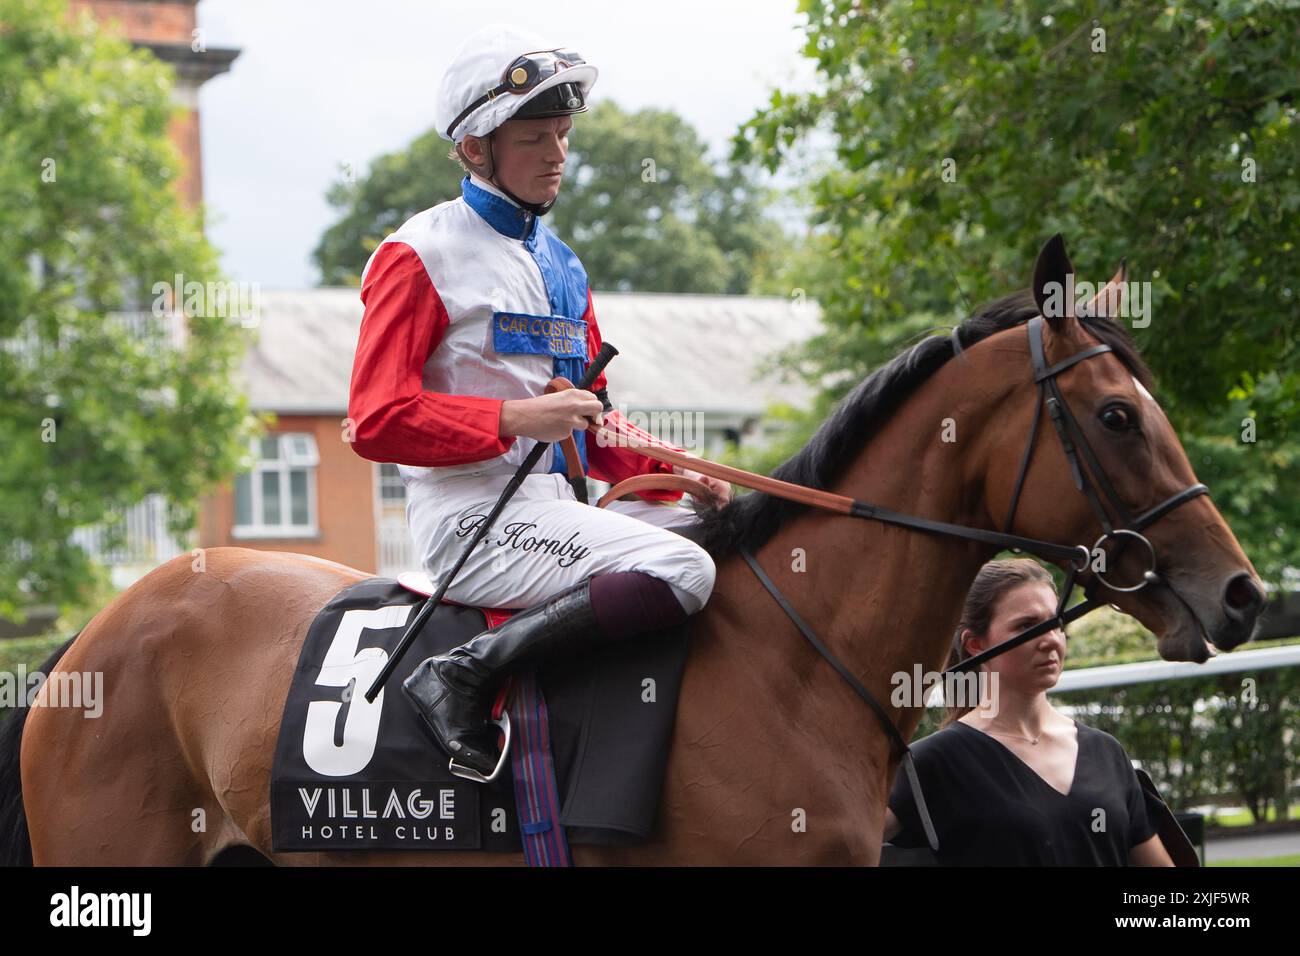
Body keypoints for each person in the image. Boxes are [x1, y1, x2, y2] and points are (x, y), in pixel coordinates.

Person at [346, 24, 728, 781]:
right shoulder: (416, 254)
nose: (557, 155)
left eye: (562, 135)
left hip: (562, 507)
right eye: (534, 138)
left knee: (736, 539)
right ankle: (462, 674)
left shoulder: (562, 264)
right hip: (470, 520)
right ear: (474, 149)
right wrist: (512, 421)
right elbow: (374, 419)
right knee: (685, 572)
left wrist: (672, 465)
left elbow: (590, 421)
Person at [882, 558, 1176, 865]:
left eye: (1057, 623)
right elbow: (840, 839)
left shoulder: (1105, 751)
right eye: (1026, 626)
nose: (1050, 639)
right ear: (976, 644)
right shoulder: (935, 761)